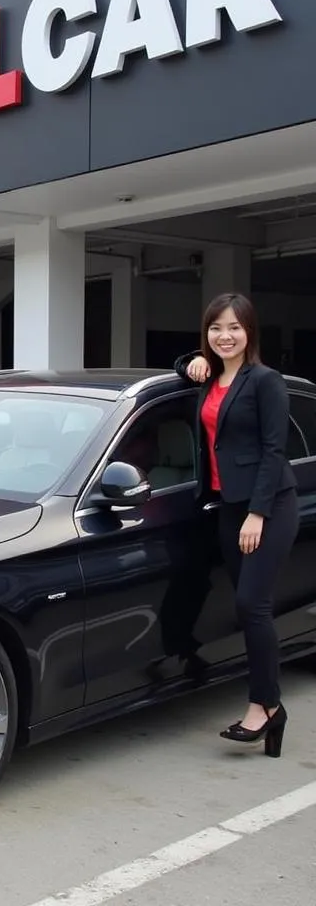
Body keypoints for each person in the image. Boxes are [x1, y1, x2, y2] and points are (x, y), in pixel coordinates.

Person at [174, 292, 298, 758]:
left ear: (250, 332)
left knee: (252, 604)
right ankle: (268, 708)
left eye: (234, 327)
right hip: (227, 506)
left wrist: (258, 513)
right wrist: (189, 362)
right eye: (215, 328)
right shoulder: (208, 380)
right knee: (245, 606)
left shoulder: (266, 381)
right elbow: (179, 368)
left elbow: (273, 450)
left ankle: (265, 706)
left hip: (268, 506)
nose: (225, 336)